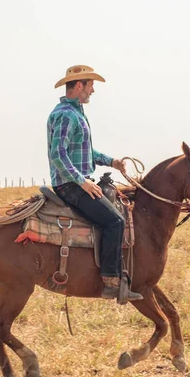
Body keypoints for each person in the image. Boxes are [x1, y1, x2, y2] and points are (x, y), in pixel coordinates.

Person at [47, 65, 143, 301]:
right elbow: (57, 154)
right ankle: (110, 281)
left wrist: (112, 161)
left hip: (77, 182)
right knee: (115, 221)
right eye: (91, 86)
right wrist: (82, 183)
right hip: (70, 185)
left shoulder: (77, 114)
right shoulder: (66, 115)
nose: (93, 91)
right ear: (79, 86)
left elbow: (85, 152)